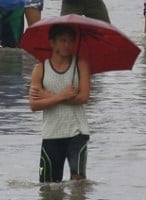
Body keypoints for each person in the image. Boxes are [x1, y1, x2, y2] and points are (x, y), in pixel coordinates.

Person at [28, 24, 92, 182]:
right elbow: (34, 105)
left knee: (79, 182)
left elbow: (84, 97)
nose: (67, 45)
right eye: (63, 41)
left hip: (77, 133)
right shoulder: (40, 69)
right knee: (49, 187)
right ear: (52, 43)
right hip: (51, 134)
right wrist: (61, 96)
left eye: (70, 41)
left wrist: (48, 96)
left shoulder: (81, 65)